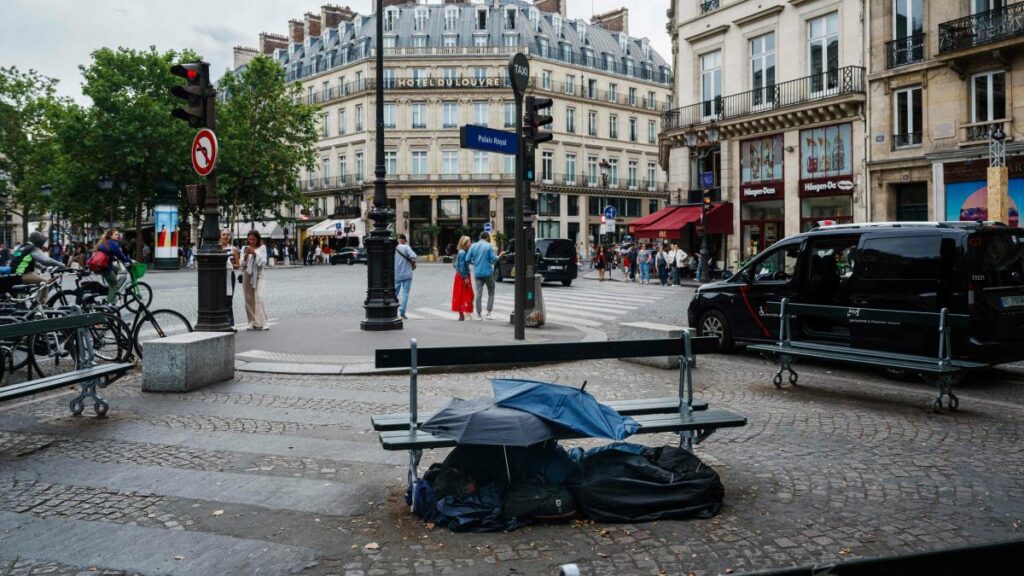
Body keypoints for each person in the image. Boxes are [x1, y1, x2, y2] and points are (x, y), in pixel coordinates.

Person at [94, 229, 133, 304]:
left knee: (117, 268)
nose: (118, 236)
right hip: (105, 267)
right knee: (114, 285)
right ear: (110, 236)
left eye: (118, 234)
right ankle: (110, 304)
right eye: (116, 234)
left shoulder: (105, 242)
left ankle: (111, 287)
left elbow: (110, 254)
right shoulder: (113, 244)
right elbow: (121, 256)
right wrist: (130, 261)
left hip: (103, 265)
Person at [466, 231, 498, 320]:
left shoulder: (473, 246)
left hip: (478, 273)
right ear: (487, 238)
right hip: (488, 272)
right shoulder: (488, 246)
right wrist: (499, 256)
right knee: (491, 292)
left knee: (478, 293)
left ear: (480, 237)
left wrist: (475, 262)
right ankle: (489, 313)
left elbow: (467, 259)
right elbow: (493, 259)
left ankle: (479, 315)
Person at [242, 229, 269, 331]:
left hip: (259, 273)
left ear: (257, 239)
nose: (251, 242)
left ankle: (263, 322)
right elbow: (241, 264)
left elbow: (263, 262)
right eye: (249, 239)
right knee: (248, 298)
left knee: (259, 297)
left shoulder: (262, 247)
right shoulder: (245, 248)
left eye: (253, 239)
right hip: (247, 273)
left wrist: (254, 253)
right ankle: (252, 321)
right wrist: (245, 256)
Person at [220, 230, 241, 330]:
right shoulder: (217, 248)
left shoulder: (234, 249)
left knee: (228, 299)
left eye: (227, 235)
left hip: (229, 274)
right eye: (223, 234)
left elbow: (237, 265)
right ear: (220, 236)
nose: (225, 236)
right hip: (218, 276)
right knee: (219, 300)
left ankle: (230, 323)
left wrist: (230, 265)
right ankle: (220, 322)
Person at [450, 235, 474, 321]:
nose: (470, 243)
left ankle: (462, 315)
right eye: (469, 241)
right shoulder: (462, 253)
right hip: (463, 276)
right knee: (466, 294)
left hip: (461, 276)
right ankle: (465, 314)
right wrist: (465, 277)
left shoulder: (463, 252)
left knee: (461, 294)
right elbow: (461, 266)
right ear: (464, 243)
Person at [394, 233, 417, 320]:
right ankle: (402, 313)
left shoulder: (394, 248)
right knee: (405, 294)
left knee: (395, 294)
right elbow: (414, 256)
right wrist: (412, 262)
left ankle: (392, 310)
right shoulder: (406, 247)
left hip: (397, 274)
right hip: (407, 274)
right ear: (404, 240)